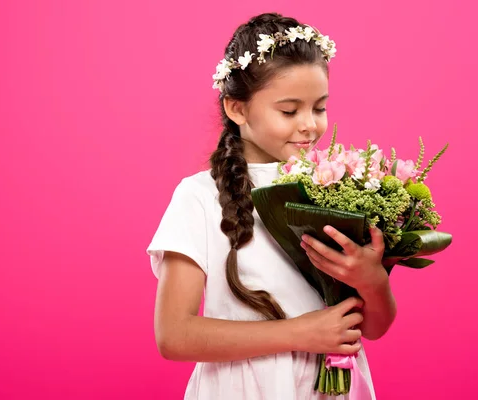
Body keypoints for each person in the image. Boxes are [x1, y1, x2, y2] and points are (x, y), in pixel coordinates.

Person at [146, 12, 396, 400]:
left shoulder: (335, 185)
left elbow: (372, 327)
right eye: (289, 110)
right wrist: (301, 333)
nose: (309, 125)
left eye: (319, 108)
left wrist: (372, 280)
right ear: (237, 109)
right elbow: (174, 335)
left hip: (326, 386)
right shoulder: (199, 197)